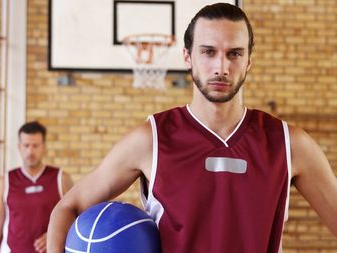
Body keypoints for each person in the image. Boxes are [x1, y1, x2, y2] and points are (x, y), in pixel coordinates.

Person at [47, 3, 337, 253]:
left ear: (249, 61)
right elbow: (67, 208)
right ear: (187, 57)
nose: (221, 67)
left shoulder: (289, 144)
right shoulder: (151, 140)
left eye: (234, 54)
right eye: (208, 51)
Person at [0, 121, 74, 253]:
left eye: (35, 146)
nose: (30, 151)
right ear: (19, 147)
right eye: (26, 145)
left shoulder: (61, 178)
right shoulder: (4, 181)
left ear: (44, 147)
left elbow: (76, 219)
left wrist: (54, 235)